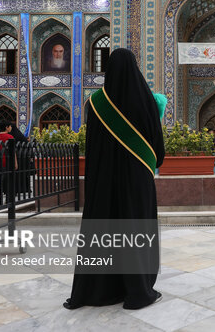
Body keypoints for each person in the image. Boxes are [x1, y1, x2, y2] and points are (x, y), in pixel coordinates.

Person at [64, 48, 165, 310]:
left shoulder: (96, 102)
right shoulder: (147, 100)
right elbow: (157, 146)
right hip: (137, 181)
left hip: (104, 181)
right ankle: (137, 291)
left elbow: (93, 146)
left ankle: (98, 291)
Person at [0, 121, 17, 198]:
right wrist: (15, 162)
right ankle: (9, 195)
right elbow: (13, 152)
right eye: (10, 126)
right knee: (8, 178)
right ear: (6, 127)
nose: (11, 128)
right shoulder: (10, 137)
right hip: (7, 161)